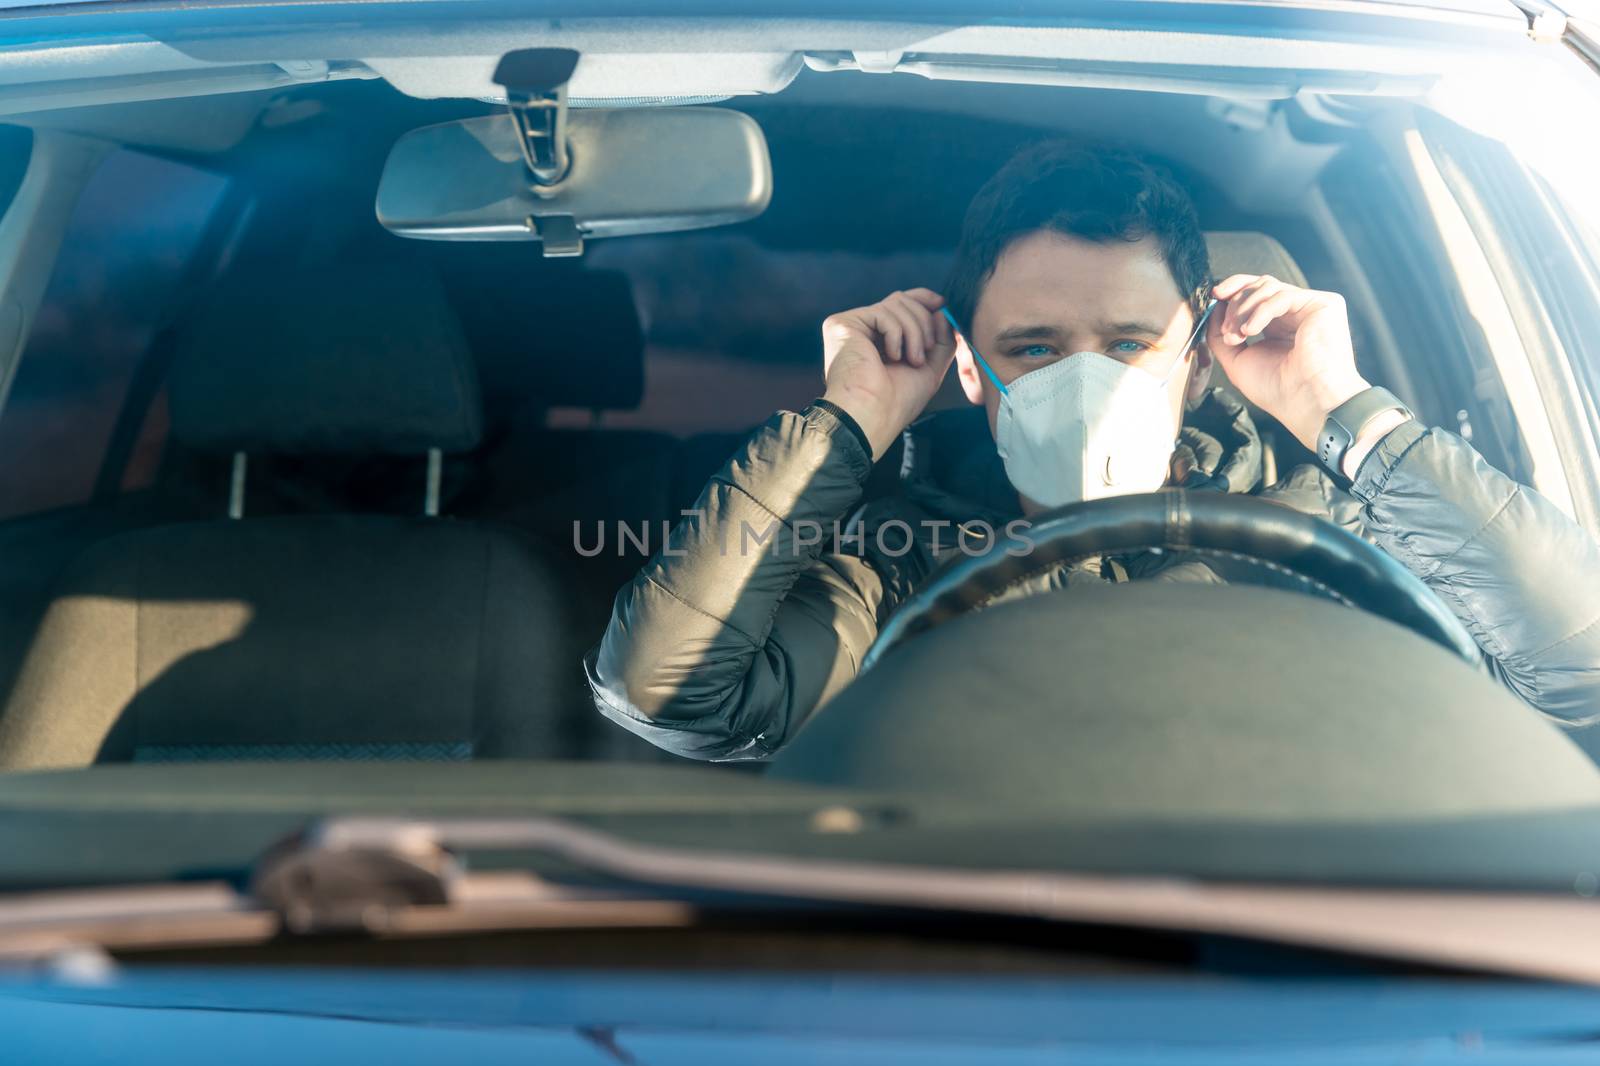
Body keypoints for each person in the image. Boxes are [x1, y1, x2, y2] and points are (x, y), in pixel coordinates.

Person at [585, 141, 1600, 761]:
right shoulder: (894, 562)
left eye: (1129, 344)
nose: (1086, 381)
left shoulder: (1348, 538)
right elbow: (669, 696)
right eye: (1032, 347)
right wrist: (845, 419)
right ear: (971, 372)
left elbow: (1583, 668)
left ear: (1199, 359)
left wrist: (1342, 408)